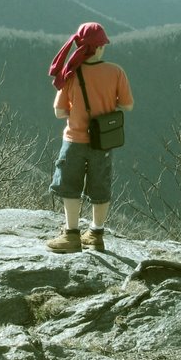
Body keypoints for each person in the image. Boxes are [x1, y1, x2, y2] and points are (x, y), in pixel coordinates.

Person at [46, 22, 133, 253]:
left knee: (70, 186)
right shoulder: (116, 72)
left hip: (74, 140)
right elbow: (127, 105)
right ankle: (95, 234)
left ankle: (71, 235)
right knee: (100, 187)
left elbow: (59, 111)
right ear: (100, 48)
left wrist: (78, 108)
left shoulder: (71, 74)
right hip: (102, 142)